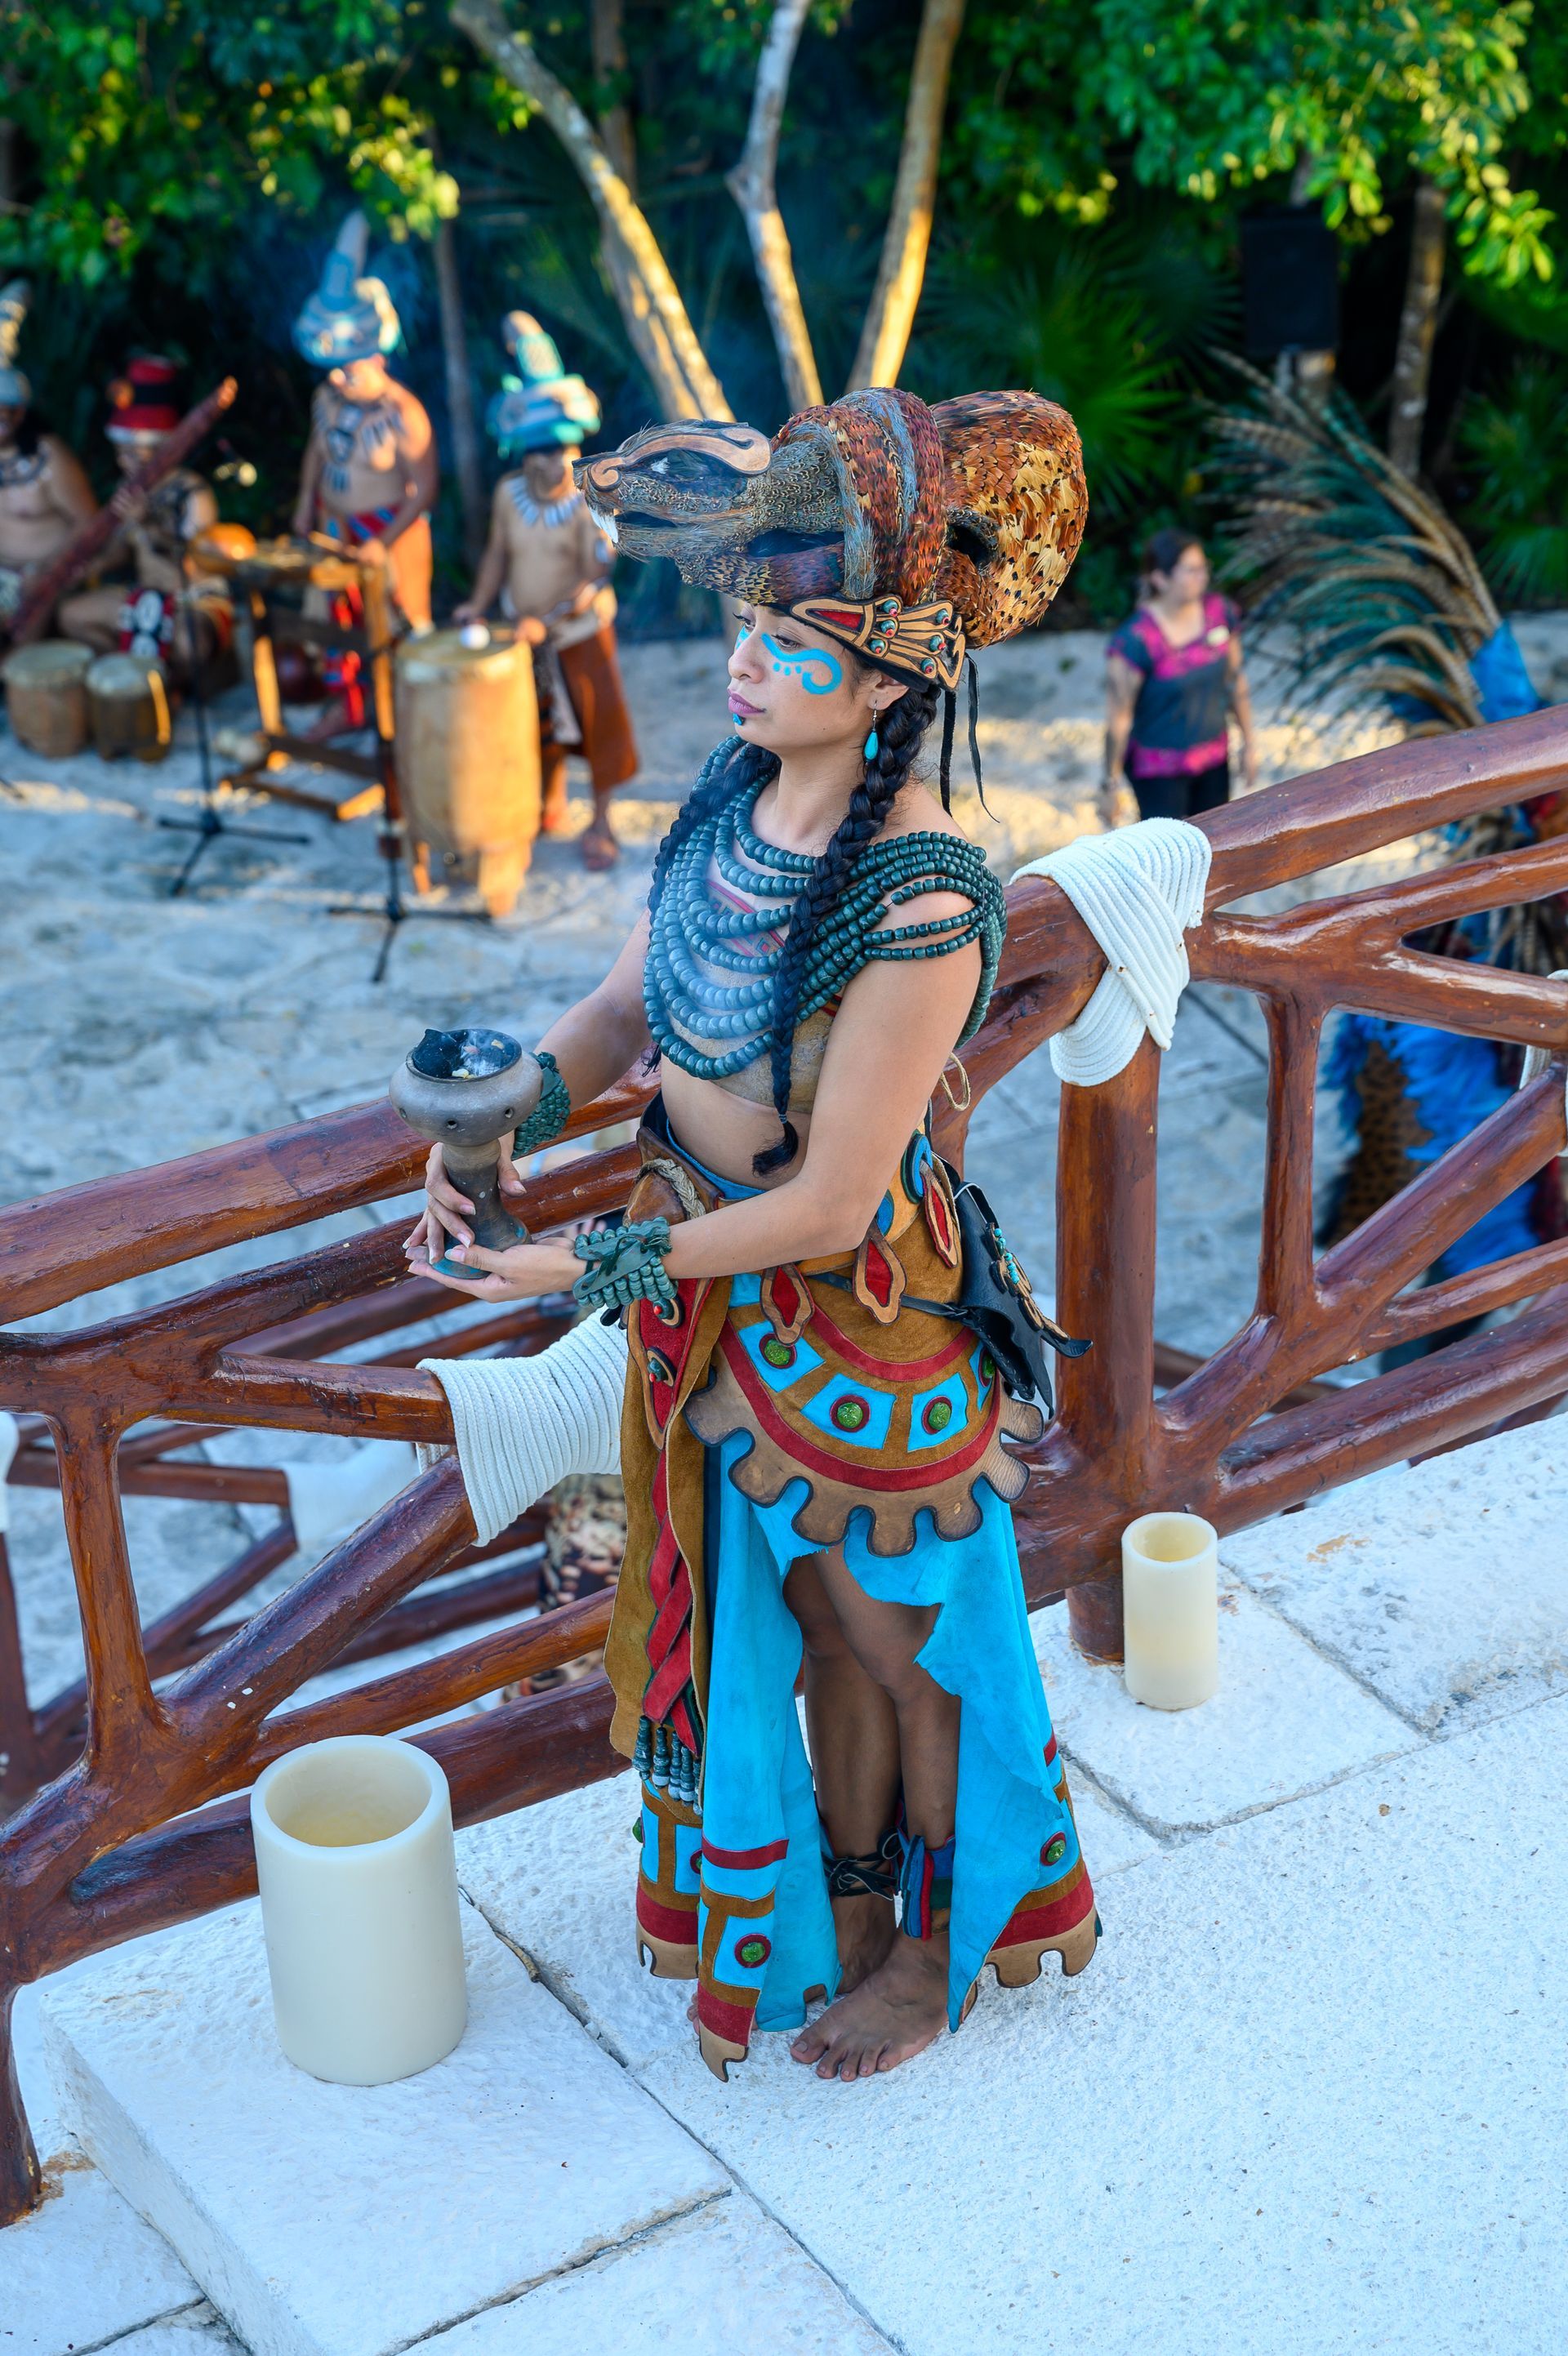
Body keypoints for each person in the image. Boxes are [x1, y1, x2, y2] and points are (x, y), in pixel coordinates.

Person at [406, 385, 1100, 2086]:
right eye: (752, 621)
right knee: (802, 1616)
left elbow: (832, 1200)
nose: (746, 658)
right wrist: (503, 1120)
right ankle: (848, 1917)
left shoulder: (928, 889)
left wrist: (580, 1266)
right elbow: (632, 1002)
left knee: (902, 1645)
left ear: (893, 679)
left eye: (797, 637)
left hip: (858, 1314)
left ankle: (938, 1948)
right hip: (722, 1306)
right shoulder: (733, 791)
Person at [454, 313, 638, 872]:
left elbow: (593, 581)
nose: (553, 461)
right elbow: (497, 557)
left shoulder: (589, 501)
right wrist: (478, 604)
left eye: (563, 449)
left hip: (578, 634)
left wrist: (552, 619)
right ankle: (547, 802)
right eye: (541, 451)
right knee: (533, 723)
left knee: (598, 725)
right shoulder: (509, 495)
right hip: (522, 633)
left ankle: (601, 818)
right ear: (521, 452)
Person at [291, 210, 436, 733]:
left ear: (375, 355)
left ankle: (403, 714)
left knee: (399, 624)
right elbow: (317, 451)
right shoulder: (325, 397)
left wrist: (387, 540)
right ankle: (347, 706)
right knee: (335, 621)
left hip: (389, 532)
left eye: (345, 365)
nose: (334, 374)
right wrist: (306, 503)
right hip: (335, 526)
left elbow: (424, 492)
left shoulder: (404, 413)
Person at [56, 356, 233, 684]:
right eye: (121, 452)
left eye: (137, 454)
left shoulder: (192, 492)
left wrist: (147, 524)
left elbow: (193, 563)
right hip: (147, 596)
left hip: (193, 599)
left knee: (190, 643)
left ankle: (171, 685)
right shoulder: (131, 489)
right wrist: (90, 568)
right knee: (71, 615)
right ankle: (135, 683)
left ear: (164, 449)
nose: (127, 462)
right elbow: (122, 551)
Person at [1102, 528, 1257, 822]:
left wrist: (1249, 744)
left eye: (1203, 567)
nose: (1202, 576)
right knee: (1168, 858)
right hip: (1157, 771)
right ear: (1160, 579)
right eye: (1191, 570)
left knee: (1214, 842)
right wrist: (1110, 784)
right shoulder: (1134, 641)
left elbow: (1235, 681)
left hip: (1214, 758)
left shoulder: (1220, 612)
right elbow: (1119, 720)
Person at [0, 280, 98, 630]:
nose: (3, 418)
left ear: (22, 412)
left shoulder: (48, 457)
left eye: (9, 409)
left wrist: (50, 571)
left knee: (19, 633)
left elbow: (91, 524)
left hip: (46, 582)